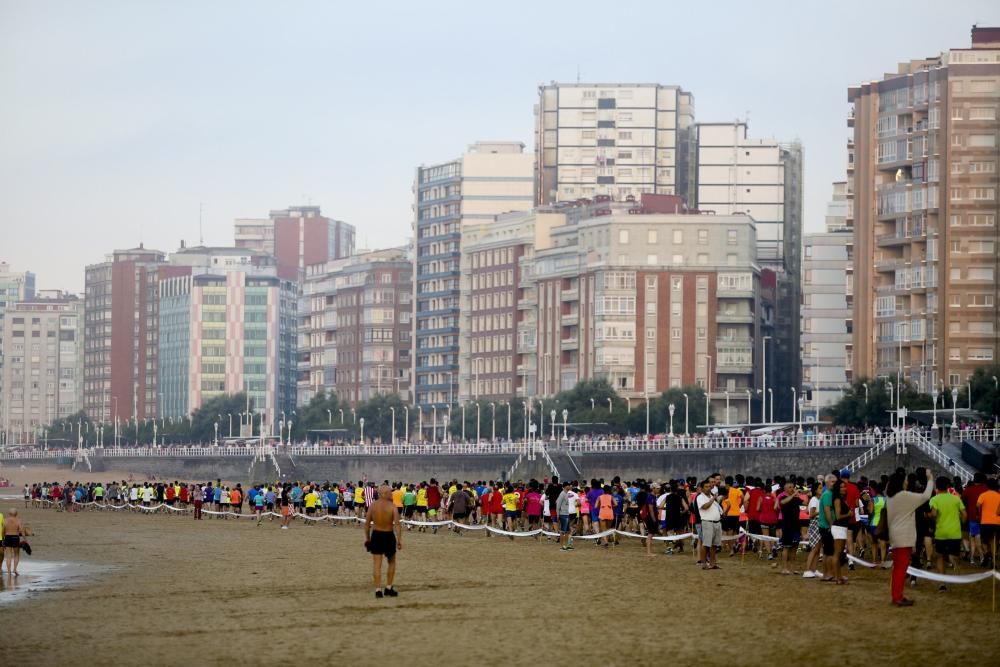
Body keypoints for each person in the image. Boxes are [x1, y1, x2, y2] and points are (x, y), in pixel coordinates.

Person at [886, 468, 933, 607]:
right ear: (901, 482)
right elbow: (925, 496)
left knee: (898, 568)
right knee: (901, 568)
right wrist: (930, 480)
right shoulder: (904, 496)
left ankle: (897, 595)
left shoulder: (890, 497)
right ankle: (897, 597)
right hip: (904, 536)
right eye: (905, 480)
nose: (907, 482)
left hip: (895, 535)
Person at [928, 476, 966, 592]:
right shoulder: (956, 498)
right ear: (948, 486)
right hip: (955, 532)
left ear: (937, 487)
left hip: (941, 532)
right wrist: (960, 524)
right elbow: (965, 515)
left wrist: (929, 516)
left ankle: (942, 583)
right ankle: (955, 567)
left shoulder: (934, 499)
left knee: (939, 556)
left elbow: (934, 514)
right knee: (954, 555)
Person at [364, 485, 402, 598]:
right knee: (391, 562)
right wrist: (399, 540)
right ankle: (389, 587)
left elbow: (366, 525)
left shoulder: (373, 506)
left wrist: (368, 538)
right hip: (388, 535)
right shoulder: (392, 507)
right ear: (383, 494)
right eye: (390, 493)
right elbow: (398, 525)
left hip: (376, 535)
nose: (391, 494)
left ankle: (378, 590)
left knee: (377, 564)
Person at [777, 480, 802, 575]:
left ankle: (792, 568)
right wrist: (793, 495)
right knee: (786, 547)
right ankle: (784, 568)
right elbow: (783, 502)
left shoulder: (796, 499)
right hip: (787, 526)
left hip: (796, 526)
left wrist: (801, 493)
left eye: (793, 487)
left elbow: (805, 502)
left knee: (794, 548)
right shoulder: (782, 497)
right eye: (790, 487)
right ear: (785, 489)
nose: (792, 489)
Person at [696, 480, 721, 570]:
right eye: (706, 487)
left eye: (709, 486)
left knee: (714, 544)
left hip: (716, 522)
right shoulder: (700, 497)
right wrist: (713, 499)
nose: (708, 488)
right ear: (702, 488)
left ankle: (712, 563)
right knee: (706, 544)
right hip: (707, 522)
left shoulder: (711, 496)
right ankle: (704, 564)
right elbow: (705, 507)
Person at [976, 477, 1000, 569]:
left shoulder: (983, 495)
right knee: (994, 542)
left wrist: (979, 514)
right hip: (997, 522)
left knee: (983, 541)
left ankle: (987, 553)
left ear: (987, 485)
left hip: (985, 521)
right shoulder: (999, 495)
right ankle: (994, 561)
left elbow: (978, 505)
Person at [3, 507, 24, 577]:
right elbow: (21, 531)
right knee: (16, 554)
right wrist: (25, 539)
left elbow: (3, 530)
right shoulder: (18, 520)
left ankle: (9, 571)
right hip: (15, 537)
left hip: (7, 537)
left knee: (8, 555)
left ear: (9, 514)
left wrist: (3, 537)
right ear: (16, 514)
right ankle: (14, 569)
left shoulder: (5, 520)